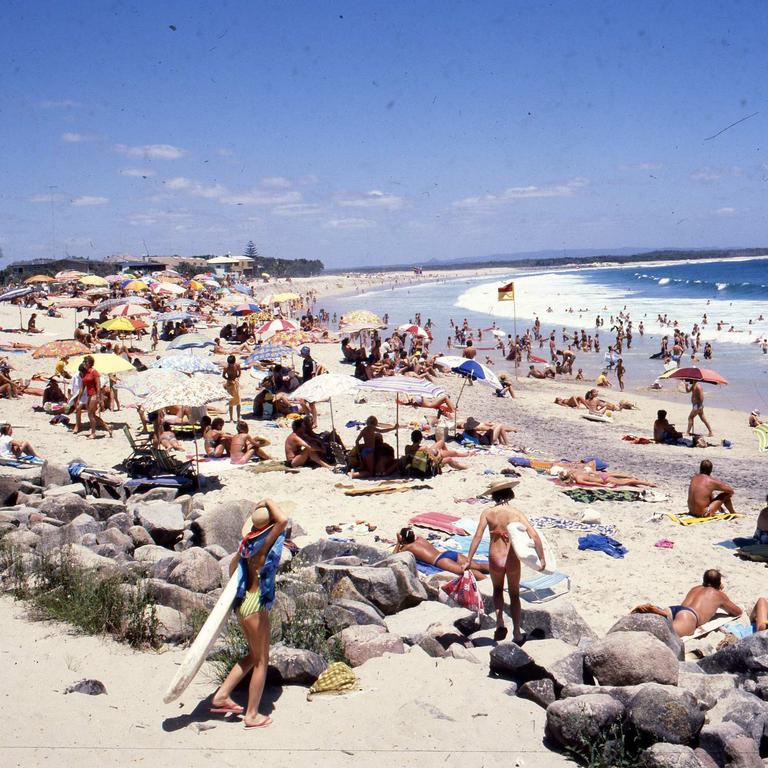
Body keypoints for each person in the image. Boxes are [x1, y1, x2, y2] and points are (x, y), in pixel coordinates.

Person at [211, 500, 288, 728]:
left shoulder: (246, 547)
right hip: (256, 605)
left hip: (243, 603)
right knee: (262, 661)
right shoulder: (263, 549)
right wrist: (266, 501)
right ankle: (252, 714)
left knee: (253, 656)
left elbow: (233, 571)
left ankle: (222, 695)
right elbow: (283, 520)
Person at [465, 479, 545, 643]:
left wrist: (469, 559)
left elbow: (478, 536)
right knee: (514, 595)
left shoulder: (488, 513)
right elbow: (534, 535)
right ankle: (516, 632)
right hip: (511, 559)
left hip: (495, 558)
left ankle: (500, 622)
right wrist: (542, 558)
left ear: (493, 496)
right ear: (510, 494)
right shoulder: (516, 513)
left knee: (497, 590)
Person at [632, 569, 742, 638]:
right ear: (719, 584)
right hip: (689, 616)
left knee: (659, 624)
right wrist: (721, 594)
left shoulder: (695, 588)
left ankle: (662, 613)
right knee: (668, 634)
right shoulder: (718, 595)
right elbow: (737, 612)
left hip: (675, 609)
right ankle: (661, 614)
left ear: (703, 581)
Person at [395, 527, 487, 578]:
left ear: (403, 539)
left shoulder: (407, 548)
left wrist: (398, 543)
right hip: (447, 553)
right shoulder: (420, 539)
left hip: (440, 560)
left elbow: (394, 556)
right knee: (478, 566)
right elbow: (412, 536)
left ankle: (485, 581)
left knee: (465, 571)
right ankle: (499, 572)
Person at [223, 354, 242, 422]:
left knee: (238, 401)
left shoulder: (237, 365)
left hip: (235, 383)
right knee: (231, 401)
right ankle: (231, 418)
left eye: (231, 363)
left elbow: (239, 373)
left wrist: (237, 378)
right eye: (229, 364)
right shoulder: (226, 368)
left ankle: (238, 417)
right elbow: (223, 375)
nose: (230, 365)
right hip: (229, 383)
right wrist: (228, 379)